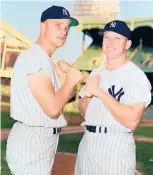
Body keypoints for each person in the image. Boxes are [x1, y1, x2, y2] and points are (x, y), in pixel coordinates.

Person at [6, 5, 82, 175]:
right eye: (58, 25)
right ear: (43, 26)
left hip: (42, 138)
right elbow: (52, 109)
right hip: (32, 140)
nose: (64, 31)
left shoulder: (45, 60)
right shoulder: (33, 58)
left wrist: (63, 79)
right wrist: (70, 81)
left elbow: (56, 103)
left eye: (66, 27)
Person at [75, 20, 152, 175]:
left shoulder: (136, 76)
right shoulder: (97, 72)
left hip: (115, 145)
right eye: (107, 37)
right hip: (87, 143)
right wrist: (89, 94)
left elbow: (132, 121)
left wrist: (100, 92)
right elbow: (83, 111)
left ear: (128, 44)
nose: (111, 42)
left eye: (118, 38)